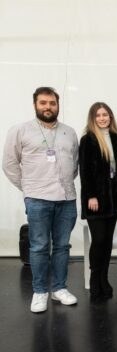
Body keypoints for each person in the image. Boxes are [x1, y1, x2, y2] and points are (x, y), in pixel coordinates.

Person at [2, 87, 79, 313]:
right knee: (39, 246)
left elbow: (74, 165)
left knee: (62, 246)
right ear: (35, 104)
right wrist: (28, 188)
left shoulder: (69, 132)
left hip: (66, 199)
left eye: (52, 103)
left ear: (58, 105)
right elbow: (9, 165)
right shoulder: (20, 131)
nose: (48, 107)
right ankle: (39, 292)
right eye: (43, 103)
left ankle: (59, 288)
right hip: (37, 199)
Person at [79, 102, 117, 301]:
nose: (102, 118)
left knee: (107, 241)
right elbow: (85, 170)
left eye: (105, 114)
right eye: (98, 115)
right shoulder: (88, 140)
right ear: (93, 118)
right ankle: (94, 279)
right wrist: (91, 195)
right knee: (98, 240)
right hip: (95, 200)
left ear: (110, 117)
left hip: (113, 200)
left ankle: (104, 279)